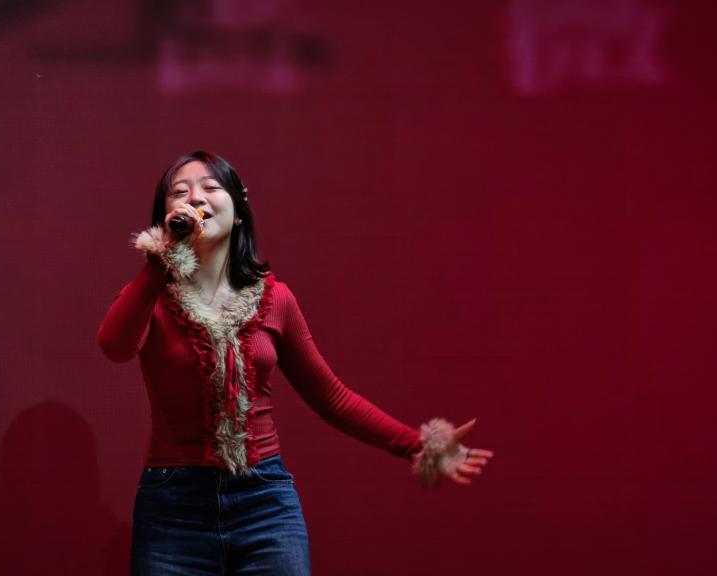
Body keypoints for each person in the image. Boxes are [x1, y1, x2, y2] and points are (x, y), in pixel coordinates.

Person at [97, 151, 494, 575]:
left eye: (211, 187)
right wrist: (160, 260)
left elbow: (331, 397)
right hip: (173, 508)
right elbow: (114, 345)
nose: (195, 197)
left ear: (238, 214)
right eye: (180, 192)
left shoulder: (276, 300)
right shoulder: (149, 295)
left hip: (263, 503)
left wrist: (419, 445)